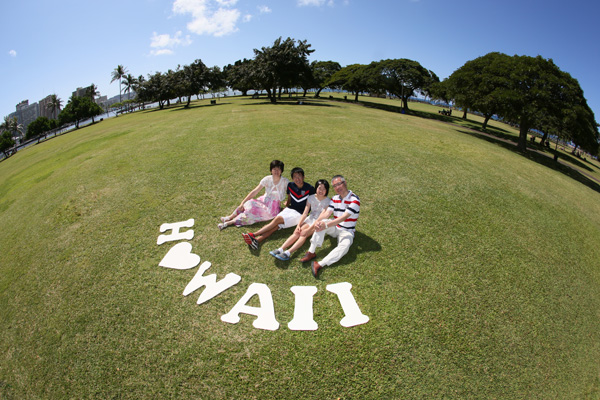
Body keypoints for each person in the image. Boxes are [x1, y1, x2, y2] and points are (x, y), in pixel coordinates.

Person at [299, 175, 360, 278]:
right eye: (335, 186)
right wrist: (318, 223)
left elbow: (343, 218)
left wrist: (326, 224)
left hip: (347, 231)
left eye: (339, 184)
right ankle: (311, 252)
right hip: (335, 227)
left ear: (345, 183)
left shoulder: (354, 200)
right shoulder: (335, 198)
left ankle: (320, 264)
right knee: (321, 222)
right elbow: (327, 214)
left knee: (344, 246)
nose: (337, 187)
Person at [242, 167, 314, 250]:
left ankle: (253, 234)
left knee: (277, 220)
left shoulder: (310, 189)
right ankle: (257, 241)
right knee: (276, 226)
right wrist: (287, 205)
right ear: (292, 178)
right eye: (295, 177)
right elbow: (290, 197)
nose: (297, 179)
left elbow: (311, 204)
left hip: (299, 214)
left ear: (303, 177)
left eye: (299, 176)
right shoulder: (290, 185)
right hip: (289, 209)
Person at [269, 179, 330, 261]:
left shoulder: (328, 201)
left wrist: (308, 229)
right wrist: (298, 225)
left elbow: (321, 217)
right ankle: (280, 249)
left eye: (324, 189)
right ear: (316, 188)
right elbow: (305, 213)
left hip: (319, 222)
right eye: (319, 188)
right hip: (310, 218)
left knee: (303, 234)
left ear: (327, 190)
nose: (321, 191)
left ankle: (288, 253)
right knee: (297, 232)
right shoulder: (311, 198)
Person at [218, 160, 289, 230]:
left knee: (252, 212)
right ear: (271, 170)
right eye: (274, 169)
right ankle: (230, 217)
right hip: (263, 200)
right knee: (249, 203)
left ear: (282, 170)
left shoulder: (285, 181)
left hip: (273, 208)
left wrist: (287, 204)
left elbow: (291, 194)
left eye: (279, 169)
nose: (276, 171)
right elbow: (255, 191)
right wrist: (242, 203)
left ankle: (229, 222)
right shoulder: (267, 179)